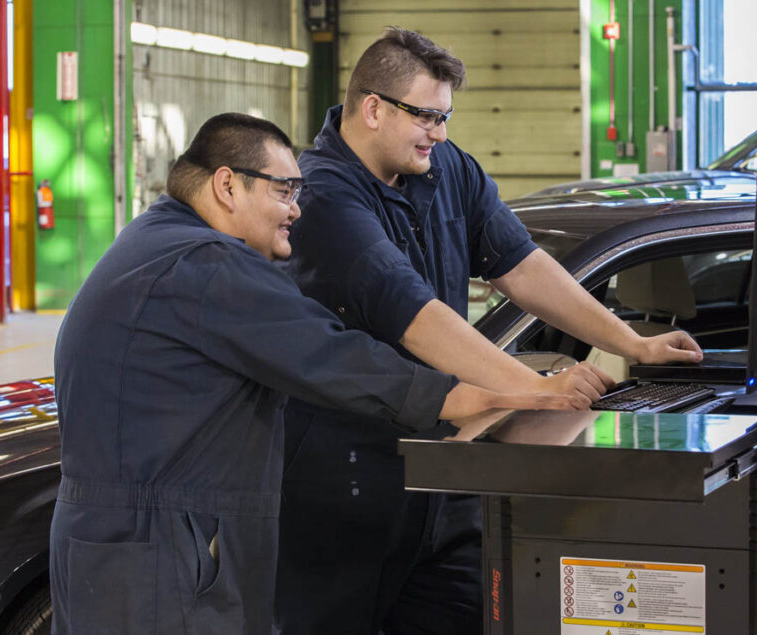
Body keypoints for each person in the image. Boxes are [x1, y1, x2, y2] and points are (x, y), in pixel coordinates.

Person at [48, 113, 592, 635]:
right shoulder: (204, 265)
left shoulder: (150, 242)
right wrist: (456, 396)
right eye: (284, 191)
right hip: (159, 553)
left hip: (126, 543)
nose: (297, 210)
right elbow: (326, 353)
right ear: (227, 186)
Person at [276, 28, 704, 634]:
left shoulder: (445, 167)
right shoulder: (323, 196)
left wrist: (628, 343)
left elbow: (521, 264)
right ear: (372, 108)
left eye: (446, 116)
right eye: (426, 116)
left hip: (445, 475)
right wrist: (534, 390)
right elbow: (415, 316)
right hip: (347, 485)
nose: (441, 133)